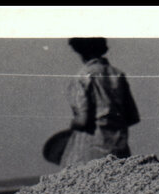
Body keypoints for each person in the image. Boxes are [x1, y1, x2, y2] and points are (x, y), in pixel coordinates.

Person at [59, 37, 140, 168]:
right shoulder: (118, 75)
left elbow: (83, 120)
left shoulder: (83, 76)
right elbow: (133, 117)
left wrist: (72, 124)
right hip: (119, 148)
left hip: (91, 150)